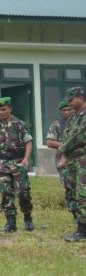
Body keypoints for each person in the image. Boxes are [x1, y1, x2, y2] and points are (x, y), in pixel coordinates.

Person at [0, 97, 34, 233]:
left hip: (18, 162)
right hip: (3, 164)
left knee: (23, 192)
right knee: (6, 193)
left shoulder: (19, 125)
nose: (1, 112)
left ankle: (27, 217)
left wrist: (26, 158)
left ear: (10, 109)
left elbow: (28, 142)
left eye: (4, 109)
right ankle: (10, 222)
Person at [58, 86, 86, 242]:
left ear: (80, 97)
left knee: (83, 194)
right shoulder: (74, 117)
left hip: (84, 159)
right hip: (74, 160)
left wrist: (63, 149)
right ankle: (81, 226)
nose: (69, 103)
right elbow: (67, 134)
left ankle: (82, 231)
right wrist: (65, 155)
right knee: (75, 193)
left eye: (71, 100)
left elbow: (79, 136)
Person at [46, 99, 77, 221]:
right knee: (69, 188)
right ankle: (76, 216)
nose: (67, 112)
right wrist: (66, 145)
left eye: (69, 109)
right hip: (64, 162)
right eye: (64, 110)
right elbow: (49, 142)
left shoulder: (80, 123)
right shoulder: (57, 124)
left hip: (80, 159)